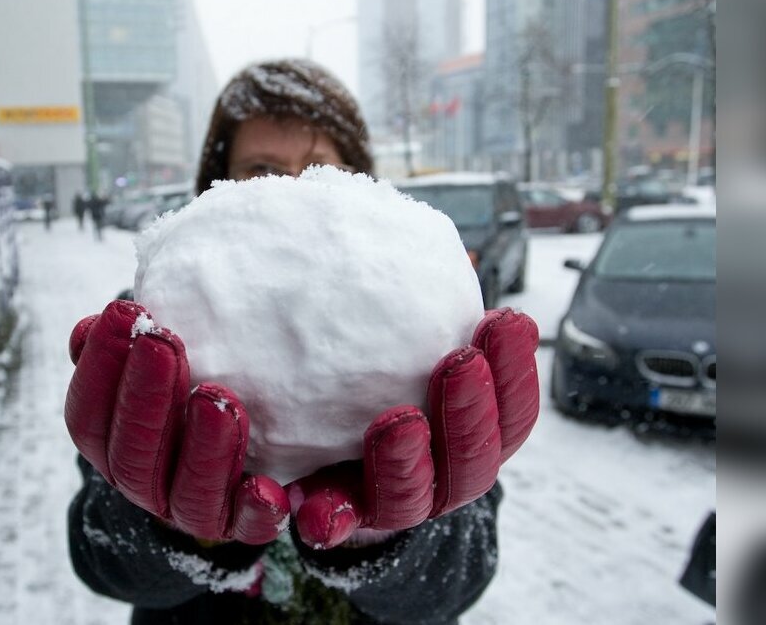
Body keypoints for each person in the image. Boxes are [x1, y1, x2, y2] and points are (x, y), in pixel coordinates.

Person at [65, 59, 540, 624]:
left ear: (359, 186)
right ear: (217, 185)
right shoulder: (157, 329)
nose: (290, 192)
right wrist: (176, 525)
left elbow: (462, 574)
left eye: (317, 169)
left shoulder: (420, 329)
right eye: (262, 169)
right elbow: (99, 555)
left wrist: (382, 537)